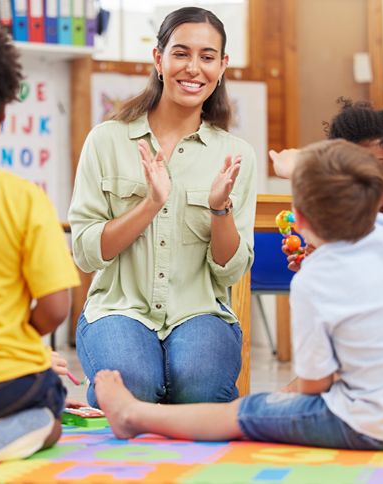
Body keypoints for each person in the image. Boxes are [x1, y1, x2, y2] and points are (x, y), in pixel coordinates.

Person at [93, 139, 383, 450]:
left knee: (243, 413)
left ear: (298, 218)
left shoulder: (314, 279)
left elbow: (313, 387)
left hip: (363, 425)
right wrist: (302, 169)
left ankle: (132, 414)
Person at [68, 7, 257, 406]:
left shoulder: (236, 154)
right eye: (181, 53)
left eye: (207, 57)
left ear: (222, 66)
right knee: (133, 382)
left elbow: (231, 269)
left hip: (200, 310)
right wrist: (150, 205)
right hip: (118, 309)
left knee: (201, 388)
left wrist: (220, 210)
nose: (193, 68)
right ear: (159, 59)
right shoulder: (106, 140)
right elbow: (86, 253)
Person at [0, 13, 80, 462]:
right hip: (5, 386)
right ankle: (19, 431)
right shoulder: (23, 198)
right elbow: (56, 306)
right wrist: (21, 334)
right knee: (51, 411)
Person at [270, 98, 383, 271]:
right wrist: (320, 262)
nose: (361, 176)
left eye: (377, 165)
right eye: (351, 167)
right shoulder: (356, 221)